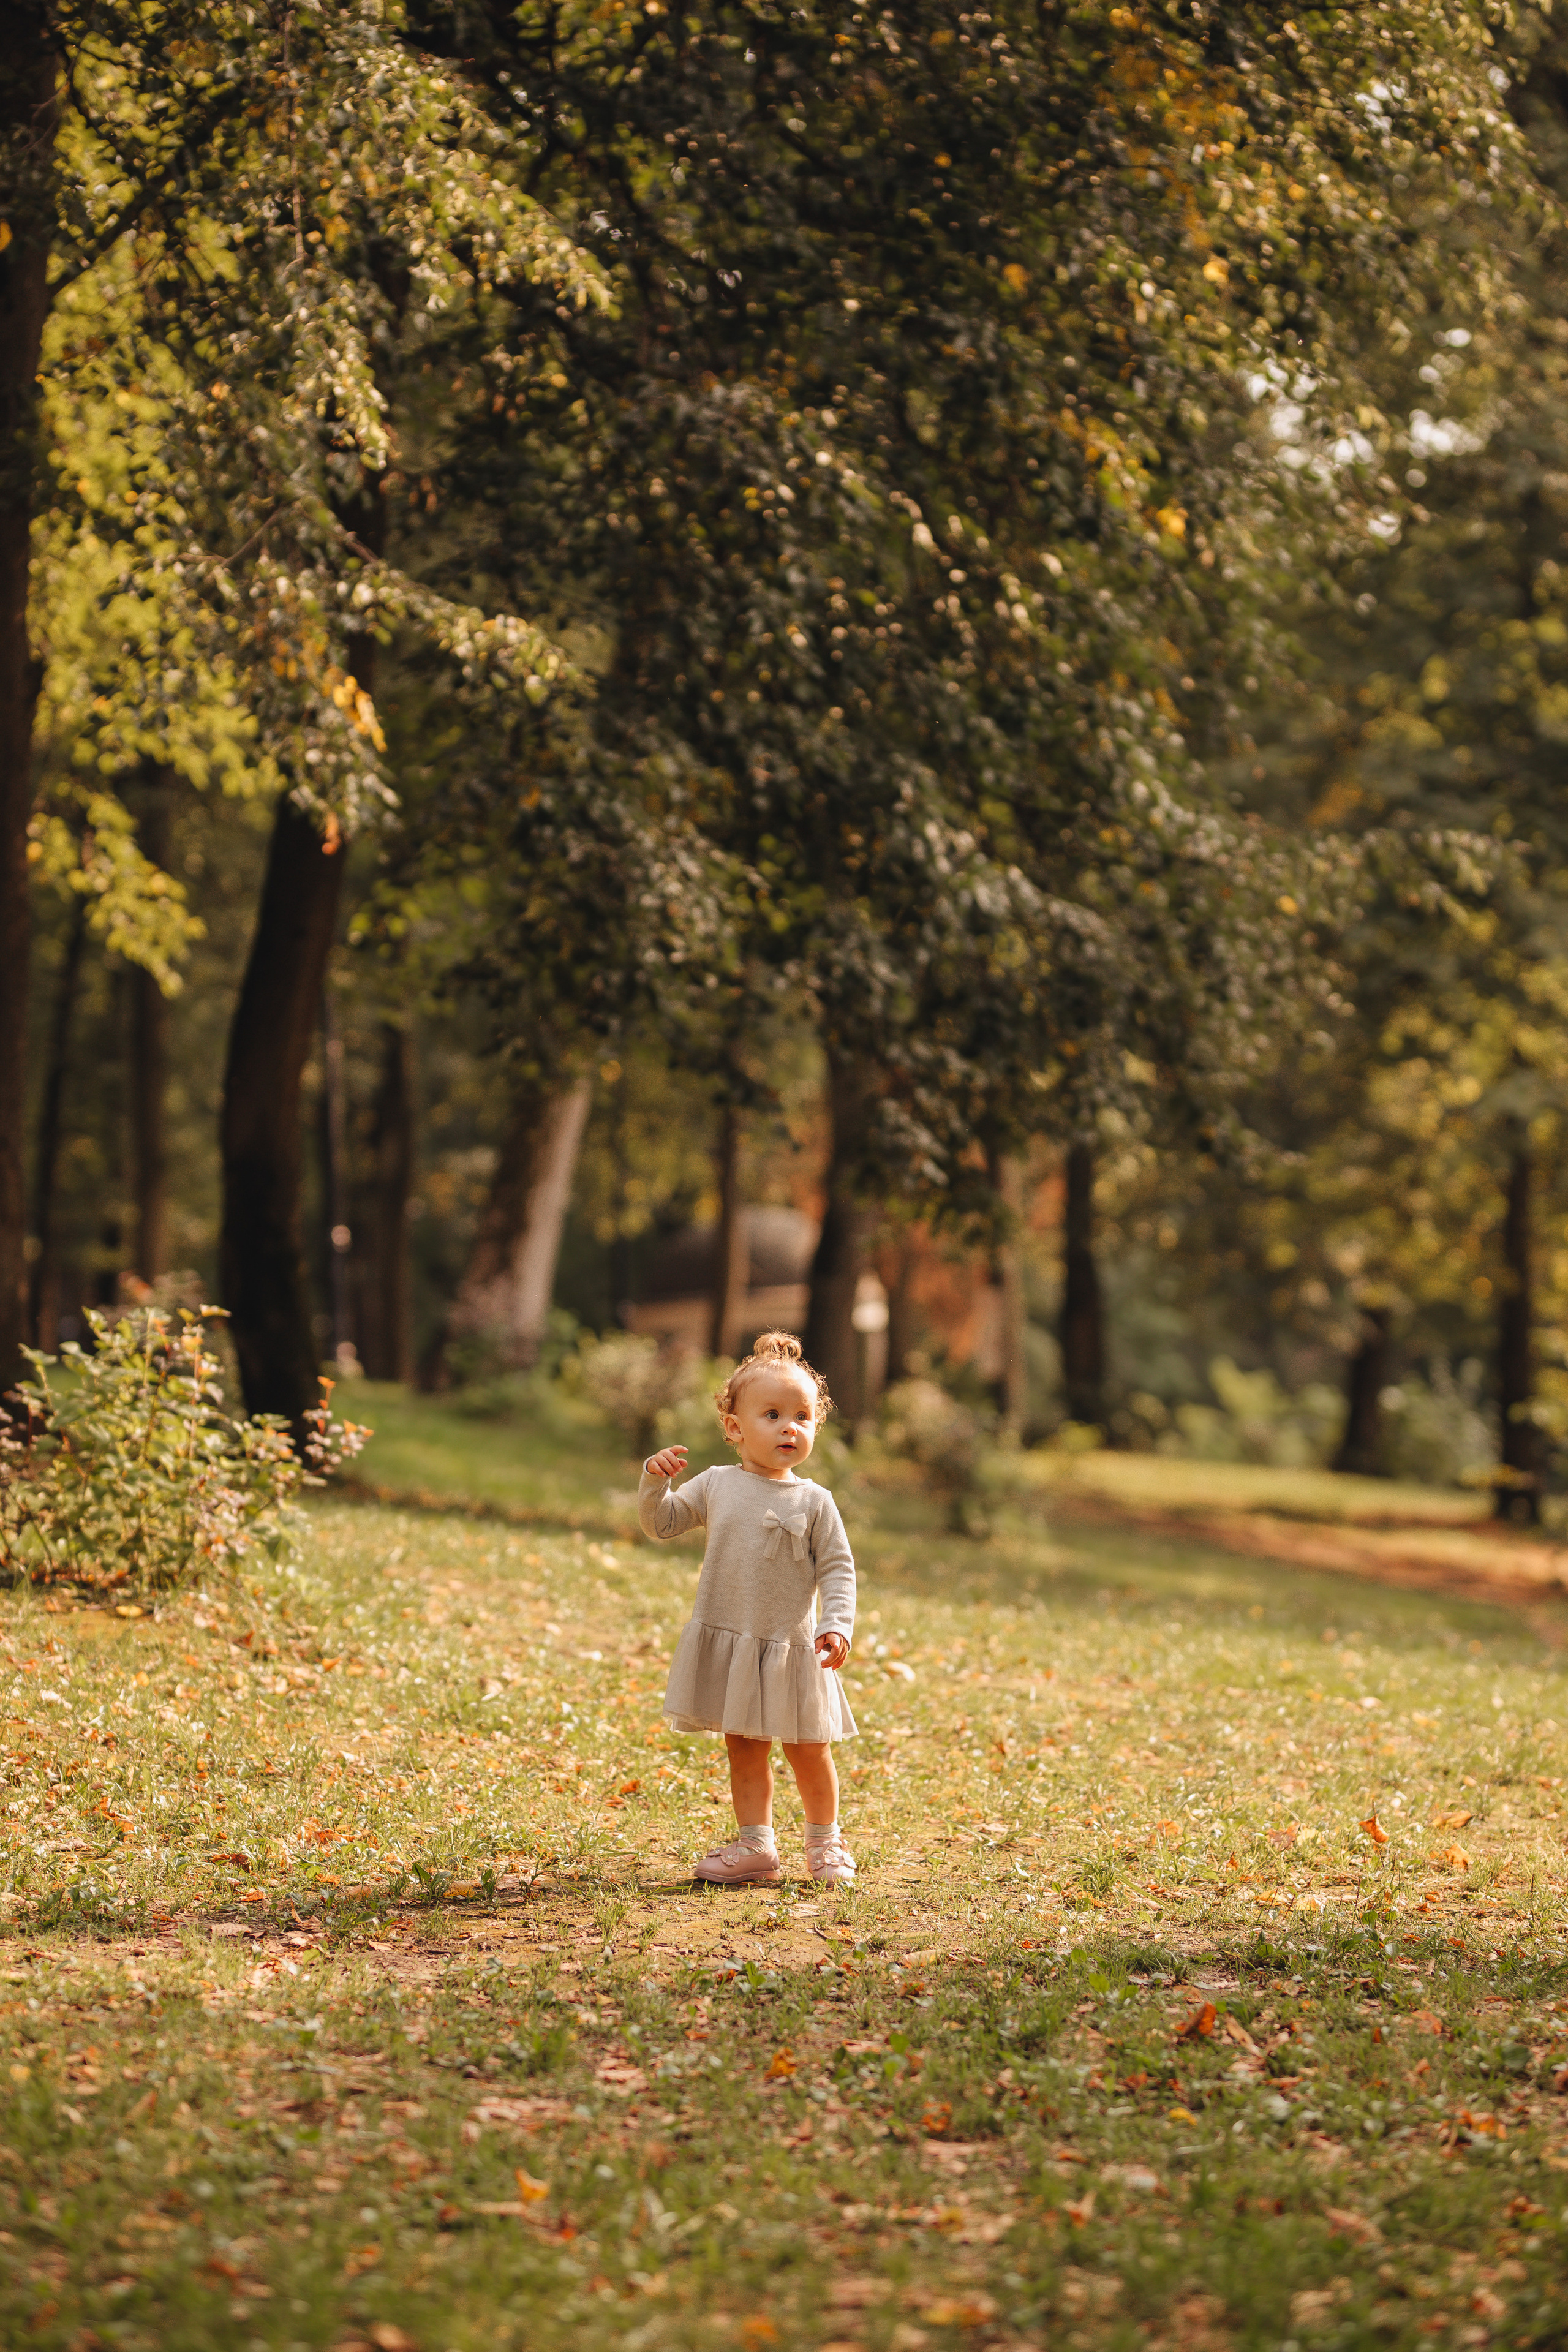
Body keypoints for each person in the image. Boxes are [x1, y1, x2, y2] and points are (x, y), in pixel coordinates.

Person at [639, 1330, 857, 1887]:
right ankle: (756, 1845)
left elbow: (837, 1569)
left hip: (793, 1646)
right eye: (773, 1414)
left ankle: (825, 1844)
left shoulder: (815, 1501)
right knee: (745, 1748)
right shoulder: (716, 1485)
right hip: (735, 1639)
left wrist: (837, 1623)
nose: (791, 1426)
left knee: (810, 1750)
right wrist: (654, 1483)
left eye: (803, 1417)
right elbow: (662, 1524)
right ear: (735, 1428)